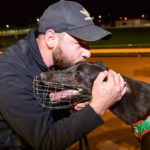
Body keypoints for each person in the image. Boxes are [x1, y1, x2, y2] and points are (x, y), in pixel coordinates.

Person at [0, 0, 127, 149]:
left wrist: (69, 106)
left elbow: (48, 107)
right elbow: (46, 142)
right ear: (51, 39)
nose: (88, 52)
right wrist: (98, 106)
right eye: (79, 43)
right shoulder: (10, 74)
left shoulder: (57, 59)